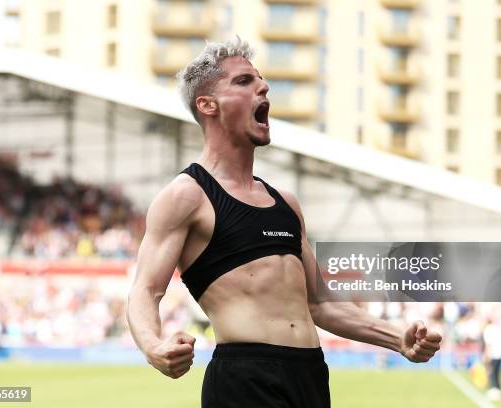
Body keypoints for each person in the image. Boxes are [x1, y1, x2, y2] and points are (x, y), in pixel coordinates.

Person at [126, 37, 442, 408]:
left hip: (309, 375)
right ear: (208, 105)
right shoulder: (186, 196)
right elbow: (145, 290)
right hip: (245, 378)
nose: (263, 86)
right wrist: (154, 346)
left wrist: (396, 337)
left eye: (260, 80)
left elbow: (321, 304)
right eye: (244, 81)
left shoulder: (286, 204)